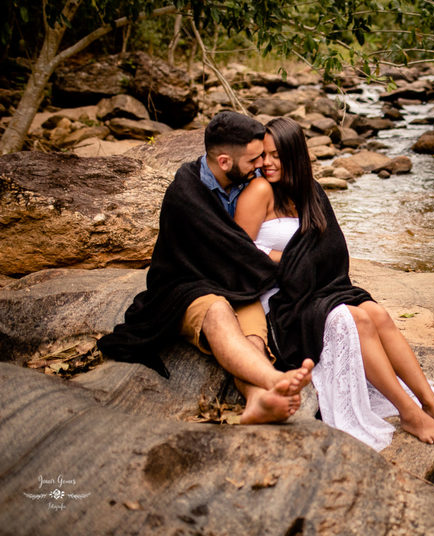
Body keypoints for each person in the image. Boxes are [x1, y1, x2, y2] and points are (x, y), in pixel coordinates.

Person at [234, 116, 434, 445]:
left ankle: (429, 403)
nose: (268, 163)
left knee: (377, 313)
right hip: (281, 299)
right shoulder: (259, 192)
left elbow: (329, 247)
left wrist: (304, 264)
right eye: (264, 155)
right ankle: (410, 414)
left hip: (317, 287)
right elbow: (240, 251)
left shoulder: (308, 192)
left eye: (277, 154)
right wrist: (286, 260)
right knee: (355, 318)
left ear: (295, 155)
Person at [98, 111, 314, 424]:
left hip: (235, 284)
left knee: (253, 335)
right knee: (218, 314)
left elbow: (240, 251)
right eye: (254, 159)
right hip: (187, 286)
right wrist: (285, 260)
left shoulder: (249, 182)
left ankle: (257, 398)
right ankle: (275, 381)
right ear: (225, 161)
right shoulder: (186, 191)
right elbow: (217, 251)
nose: (261, 166)